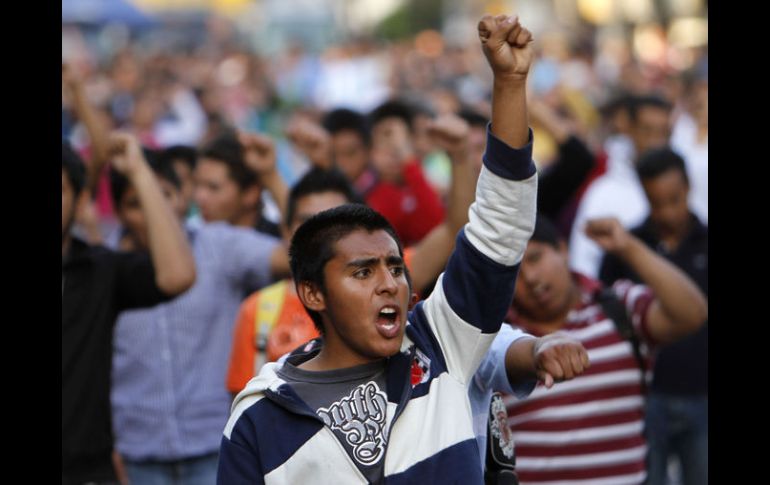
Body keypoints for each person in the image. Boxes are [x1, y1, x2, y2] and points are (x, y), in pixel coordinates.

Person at [217, 14, 541, 483]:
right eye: (363, 272)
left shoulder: (442, 347)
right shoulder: (259, 418)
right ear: (313, 293)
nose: (390, 283)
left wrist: (510, 83)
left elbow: (499, 227)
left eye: (394, 266)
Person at [107, 134, 287, 485]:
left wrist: (270, 177)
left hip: (217, 446)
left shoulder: (220, 244)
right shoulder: (104, 265)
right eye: (136, 202)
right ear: (119, 213)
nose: (153, 213)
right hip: (136, 455)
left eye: (163, 197)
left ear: (183, 198)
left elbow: (305, 252)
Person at [502, 214, 707, 485]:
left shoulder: (620, 306)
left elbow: (691, 314)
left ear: (563, 250)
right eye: (514, 271)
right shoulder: (500, 341)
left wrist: (628, 247)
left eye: (536, 257)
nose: (529, 277)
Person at [62, 135, 195, 485]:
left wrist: (139, 172)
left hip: (87, 472)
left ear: (77, 200)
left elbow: (177, 275)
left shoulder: (98, 270)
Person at [599, 148, 708, 485]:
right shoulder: (626, 246)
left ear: (688, 187)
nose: (666, 212)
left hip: (701, 394)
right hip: (646, 396)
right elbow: (604, 310)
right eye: (656, 202)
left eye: (673, 199)